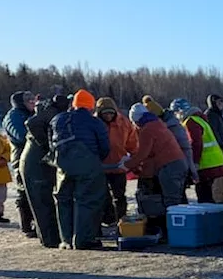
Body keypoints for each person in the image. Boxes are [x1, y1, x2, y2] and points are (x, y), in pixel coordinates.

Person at [50, 90, 110, 249]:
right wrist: (96, 161)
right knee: (88, 200)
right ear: (91, 106)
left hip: (62, 165)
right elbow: (104, 147)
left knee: (64, 200)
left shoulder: (58, 119)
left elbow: (52, 143)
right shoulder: (94, 122)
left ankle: (66, 240)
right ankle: (84, 239)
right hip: (88, 165)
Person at [125, 102, 188, 240]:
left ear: (136, 120)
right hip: (179, 163)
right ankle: (182, 231)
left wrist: (126, 165)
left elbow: (143, 154)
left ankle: (174, 234)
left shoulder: (147, 130)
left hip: (168, 167)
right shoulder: (158, 124)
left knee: (171, 202)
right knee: (179, 199)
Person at [23, 93, 68, 247]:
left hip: (38, 160)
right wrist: (46, 144)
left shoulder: (48, 111)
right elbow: (31, 123)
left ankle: (51, 238)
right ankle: (50, 240)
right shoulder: (50, 113)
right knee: (42, 202)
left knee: (44, 201)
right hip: (35, 162)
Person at [172, 98, 223, 204]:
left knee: (204, 196)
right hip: (215, 161)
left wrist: (195, 163)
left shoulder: (190, 122)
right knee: (208, 195)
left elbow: (196, 143)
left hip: (206, 164)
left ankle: (206, 218)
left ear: (180, 112)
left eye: (175, 113)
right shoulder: (199, 119)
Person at [95, 97, 138, 226]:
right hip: (100, 167)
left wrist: (135, 159)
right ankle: (108, 219)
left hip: (119, 166)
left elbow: (132, 143)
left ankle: (121, 220)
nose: (108, 116)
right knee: (103, 196)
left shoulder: (124, 123)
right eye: (105, 113)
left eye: (110, 113)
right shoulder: (94, 123)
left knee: (119, 196)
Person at [145, 95, 196, 197]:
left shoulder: (172, 127)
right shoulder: (169, 125)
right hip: (174, 165)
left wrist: (192, 170)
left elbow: (185, 147)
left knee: (176, 195)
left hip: (177, 165)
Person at [3, 90, 37, 235]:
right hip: (21, 158)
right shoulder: (13, 116)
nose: (32, 102)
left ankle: (36, 223)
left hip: (33, 157)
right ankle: (26, 225)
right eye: (28, 100)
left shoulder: (30, 114)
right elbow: (21, 136)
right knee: (23, 190)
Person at [0, 133, 11, 223]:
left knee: (1, 195)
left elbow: (9, 149)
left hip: (1, 172)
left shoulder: (2, 138)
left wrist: (4, 158)